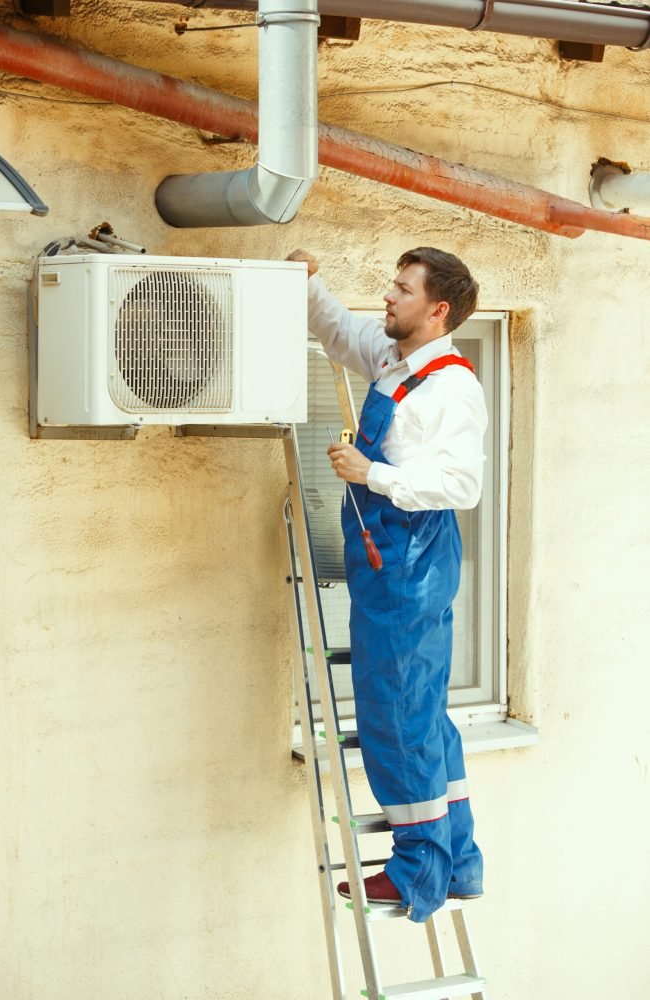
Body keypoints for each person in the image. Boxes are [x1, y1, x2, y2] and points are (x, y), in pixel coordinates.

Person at [287, 246, 487, 923]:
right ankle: (456, 864)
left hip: (412, 558)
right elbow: (342, 331)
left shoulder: (452, 388)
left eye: (402, 290)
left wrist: (371, 475)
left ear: (438, 310)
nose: (388, 296)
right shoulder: (395, 358)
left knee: (396, 713)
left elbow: (462, 484)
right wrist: (309, 283)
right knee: (423, 710)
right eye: (391, 284)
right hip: (389, 560)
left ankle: (413, 875)